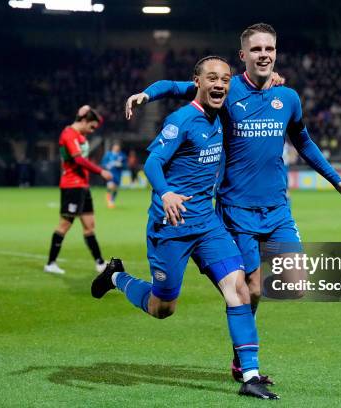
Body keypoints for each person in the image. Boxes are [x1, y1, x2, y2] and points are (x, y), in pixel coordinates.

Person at [125, 23, 341, 383]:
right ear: (243, 56)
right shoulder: (225, 90)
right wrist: (146, 94)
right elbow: (175, 88)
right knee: (245, 290)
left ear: (276, 53)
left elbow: (305, 143)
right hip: (236, 212)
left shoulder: (289, 98)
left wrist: (338, 181)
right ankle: (243, 362)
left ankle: (243, 347)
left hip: (277, 209)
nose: (264, 54)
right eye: (256, 50)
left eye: (269, 49)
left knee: (295, 284)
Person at [92, 56, 278, 399]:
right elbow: (153, 162)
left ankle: (249, 374)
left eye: (225, 78)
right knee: (163, 308)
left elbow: (176, 87)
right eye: (212, 78)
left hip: (207, 224)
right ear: (198, 82)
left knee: (238, 288)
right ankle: (116, 276)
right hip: (171, 226)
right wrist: (165, 194)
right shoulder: (182, 119)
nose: (219, 84)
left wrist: (270, 79)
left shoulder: (222, 109)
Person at [44, 105, 113, 275]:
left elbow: (95, 120)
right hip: (71, 185)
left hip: (82, 186)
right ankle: (50, 263)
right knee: (65, 224)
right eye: (91, 126)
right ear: (83, 121)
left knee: (89, 225)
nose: (92, 130)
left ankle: (99, 263)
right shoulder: (69, 134)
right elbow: (79, 160)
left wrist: (89, 111)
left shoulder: (80, 133)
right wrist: (100, 171)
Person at [100, 142, 126, 208]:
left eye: (117, 147)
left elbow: (125, 165)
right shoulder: (108, 155)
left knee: (115, 189)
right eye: (115, 147)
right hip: (110, 173)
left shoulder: (122, 155)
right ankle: (109, 201)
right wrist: (107, 166)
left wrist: (120, 165)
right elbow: (103, 163)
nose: (116, 148)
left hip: (118, 174)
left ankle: (112, 201)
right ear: (113, 147)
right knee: (110, 186)